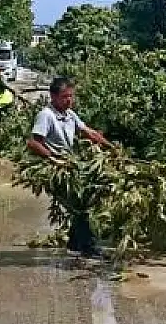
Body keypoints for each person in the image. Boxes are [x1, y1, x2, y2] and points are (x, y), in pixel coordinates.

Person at [26, 76, 113, 257]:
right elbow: (33, 143)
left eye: (71, 96)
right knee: (79, 206)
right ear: (53, 96)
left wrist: (112, 148)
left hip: (71, 164)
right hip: (56, 169)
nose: (69, 100)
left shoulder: (70, 115)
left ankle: (75, 244)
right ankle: (89, 247)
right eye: (65, 97)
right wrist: (53, 159)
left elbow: (88, 132)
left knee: (83, 202)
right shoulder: (46, 115)